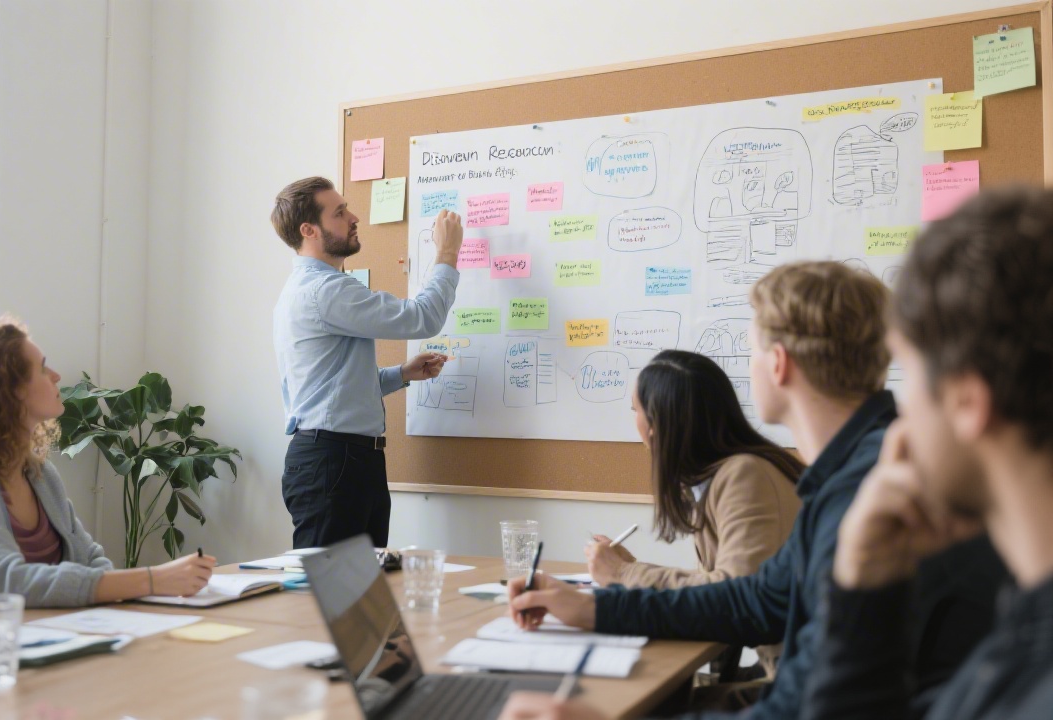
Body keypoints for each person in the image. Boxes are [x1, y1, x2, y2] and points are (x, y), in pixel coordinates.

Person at [507, 261, 1004, 720]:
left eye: (751, 351)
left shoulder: (865, 490)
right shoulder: (852, 472)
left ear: (778, 364)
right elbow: (757, 601)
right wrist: (594, 607)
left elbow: (803, 701)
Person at [802, 187, 1053, 720]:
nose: (900, 410)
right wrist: (867, 589)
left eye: (906, 371)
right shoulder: (1024, 628)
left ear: (967, 402)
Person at [0, 320, 216, 621]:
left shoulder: (39, 474)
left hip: (41, 641)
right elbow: (0, 583)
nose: (55, 376)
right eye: (41, 368)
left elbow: (91, 562)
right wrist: (152, 579)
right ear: (5, 391)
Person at [585, 350, 803, 676]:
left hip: (798, 682)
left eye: (636, 411)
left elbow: (732, 595)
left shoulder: (744, 475)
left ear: (657, 426)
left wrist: (624, 574)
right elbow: (717, 589)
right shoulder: (713, 479)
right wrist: (628, 569)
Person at [272, 176, 462, 548]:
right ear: (309, 230)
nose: (354, 217)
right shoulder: (325, 291)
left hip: (347, 459)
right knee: (333, 597)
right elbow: (422, 318)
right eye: (340, 212)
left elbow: (333, 387)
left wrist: (401, 374)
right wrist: (447, 255)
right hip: (335, 460)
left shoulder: (310, 289)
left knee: (359, 596)